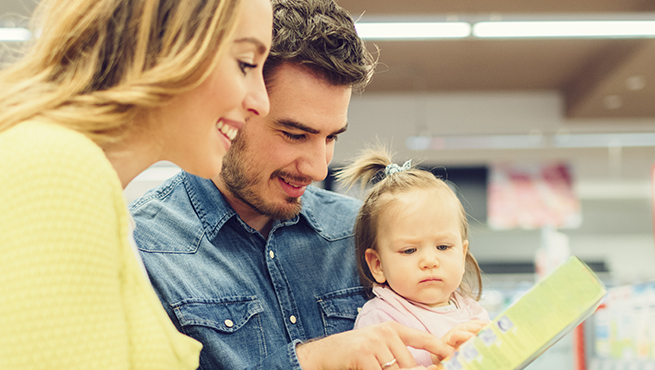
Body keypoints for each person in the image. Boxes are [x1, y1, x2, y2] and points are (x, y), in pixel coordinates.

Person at [129, 0, 453, 369]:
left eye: (331, 138)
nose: (318, 169)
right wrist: (309, 361)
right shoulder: (144, 251)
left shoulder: (362, 232)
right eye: (296, 135)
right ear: (237, 107)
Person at [0, 0, 272, 368]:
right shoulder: (57, 169)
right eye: (245, 63)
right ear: (167, 44)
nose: (262, 103)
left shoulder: (90, 187)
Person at [336, 148, 490, 367]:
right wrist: (438, 358)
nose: (429, 261)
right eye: (409, 250)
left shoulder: (475, 314)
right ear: (378, 265)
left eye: (443, 246)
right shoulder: (381, 318)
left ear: (463, 254)